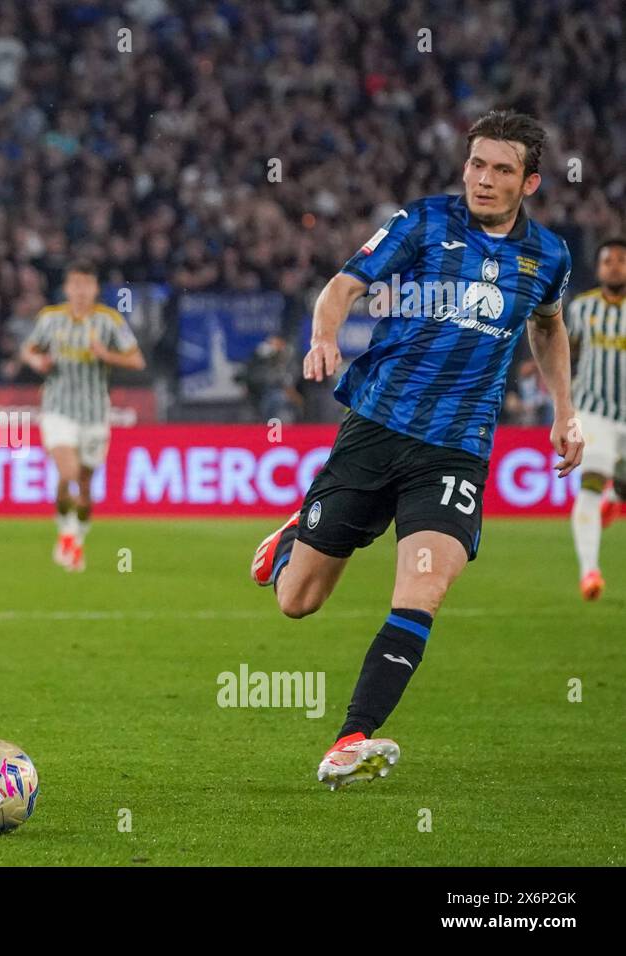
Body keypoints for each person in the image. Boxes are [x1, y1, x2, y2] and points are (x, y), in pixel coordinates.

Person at [249, 110, 582, 789]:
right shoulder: (423, 223)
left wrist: (563, 413)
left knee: (423, 588)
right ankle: (294, 535)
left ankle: (351, 738)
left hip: (455, 450)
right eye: (477, 164)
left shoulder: (548, 256)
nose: (484, 180)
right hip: (376, 428)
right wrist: (324, 337)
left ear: (532, 182)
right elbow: (344, 284)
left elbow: (548, 328)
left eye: (502, 170)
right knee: (297, 601)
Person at [20, 262, 144, 571]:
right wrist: (38, 363)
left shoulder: (109, 321)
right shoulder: (50, 319)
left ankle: (72, 533)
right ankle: (68, 536)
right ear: (67, 288)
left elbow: (137, 360)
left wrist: (107, 356)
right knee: (68, 472)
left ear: (95, 289)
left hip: (94, 414)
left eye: (86, 285)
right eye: (75, 284)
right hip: (58, 409)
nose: (80, 291)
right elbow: (29, 350)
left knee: (85, 489)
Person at [565, 238, 626, 599]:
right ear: (599, 267)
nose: (614, 266)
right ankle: (590, 572)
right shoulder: (582, 309)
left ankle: (614, 500)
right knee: (589, 483)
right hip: (593, 410)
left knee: (621, 487)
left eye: (621, 260)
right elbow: (567, 348)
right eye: (608, 261)